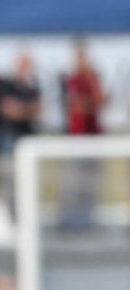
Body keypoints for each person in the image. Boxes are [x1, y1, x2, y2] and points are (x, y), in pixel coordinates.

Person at [59, 39, 106, 230]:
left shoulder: (92, 79)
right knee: (72, 182)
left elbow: (100, 101)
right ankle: (69, 221)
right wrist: (90, 103)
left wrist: (93, 89)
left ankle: (87, 221)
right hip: (76, 138)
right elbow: (78, 106)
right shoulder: (71, 80)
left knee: (92, 182)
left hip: (93, 137)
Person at [0, 51, 41, 153]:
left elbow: (37, 111)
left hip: (28, 135)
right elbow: (9, 111)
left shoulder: (33, 88)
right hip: (10, 135)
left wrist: (21, 108)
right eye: (22, 65)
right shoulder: (7, 85)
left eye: (27, 65)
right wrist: (27, 109)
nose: (25, 68)